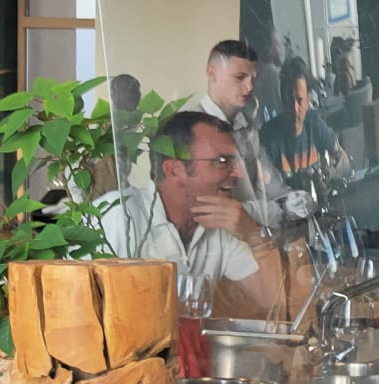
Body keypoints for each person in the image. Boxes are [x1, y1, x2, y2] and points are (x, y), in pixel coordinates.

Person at [99, 109, 285, 313]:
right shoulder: (118, 215)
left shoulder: (222, 221)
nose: (239, 173)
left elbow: (274, 301)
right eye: (222, 162)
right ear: (175, 171)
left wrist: (253, 235)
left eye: (235, 161)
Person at [182, 39, 279, 228]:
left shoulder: (247, 126)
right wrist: (270, 210)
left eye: (253, 78)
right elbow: (209, 209)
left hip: (257, 235)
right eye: (240, 77)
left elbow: (271, 187)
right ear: (212, 73)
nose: (249, 87)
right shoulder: (188, 129)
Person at [260, 58, 350, 186]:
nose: (295, 108)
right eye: (289, 99)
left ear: (308, 99)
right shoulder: (268, 136)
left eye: (300, 100)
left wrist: (331, 173)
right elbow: (264, 186)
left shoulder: (315, 124)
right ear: (282, 98)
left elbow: (345, 162)